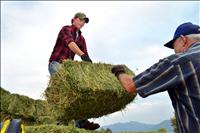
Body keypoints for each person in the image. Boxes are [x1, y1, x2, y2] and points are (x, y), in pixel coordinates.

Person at [112, 22, 200, 133]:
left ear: (183, 39)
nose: (174, 50)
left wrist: (119, 71)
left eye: (174, 46)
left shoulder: (179, 62)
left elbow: (130, 85)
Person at [48, 12, 100, 130]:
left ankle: (81, 122)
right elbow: (70, 44)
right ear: (74, 19)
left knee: (78, 90)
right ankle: (61, 122)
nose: (82, 23)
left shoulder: (81, 38)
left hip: (68, 69)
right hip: (56, 63)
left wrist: (89, 64)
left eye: (84, 21)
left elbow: (85, 54)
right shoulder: (65, 29)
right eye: (81, 20)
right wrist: (82, 55)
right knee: (64, 88)